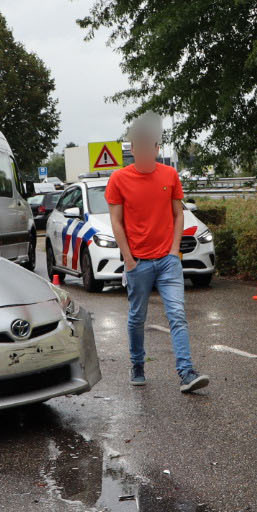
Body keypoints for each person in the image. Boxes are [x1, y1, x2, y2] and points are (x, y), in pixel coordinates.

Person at [105, 113, 208, 393]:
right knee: (137, 317)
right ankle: (137, 364)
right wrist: (128, 258)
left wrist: (174, 251)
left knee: (177, 313)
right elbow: (116, 221)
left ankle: (186, 372)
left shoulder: (169, 175)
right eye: (137, 146)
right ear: (133, 149)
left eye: (148, 145)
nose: (143, 151)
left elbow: (178, 215)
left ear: (155, 148)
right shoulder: (118, 179)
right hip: (137, 262)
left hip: (167, 261)